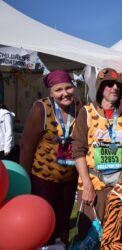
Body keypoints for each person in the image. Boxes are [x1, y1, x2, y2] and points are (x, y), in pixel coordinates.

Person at [72, 68, 122, 241]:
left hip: (121, 186)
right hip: (93, 185)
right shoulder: (86, 113)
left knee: (120, 235)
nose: (114, 88)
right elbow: (78, 150)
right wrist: (87, 185)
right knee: (88, 237)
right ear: (100, 88)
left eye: (118, 85)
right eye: (109, 84)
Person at [19, 70, 82, 245]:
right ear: (51, 92)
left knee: (63, 225)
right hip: (43, 180)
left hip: (69, 179)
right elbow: (26, 146)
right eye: (59, 90)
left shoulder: (78, 107)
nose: (65, 93)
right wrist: (25, 180)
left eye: (68, 88)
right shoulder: (41, 108)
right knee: (42, 223)